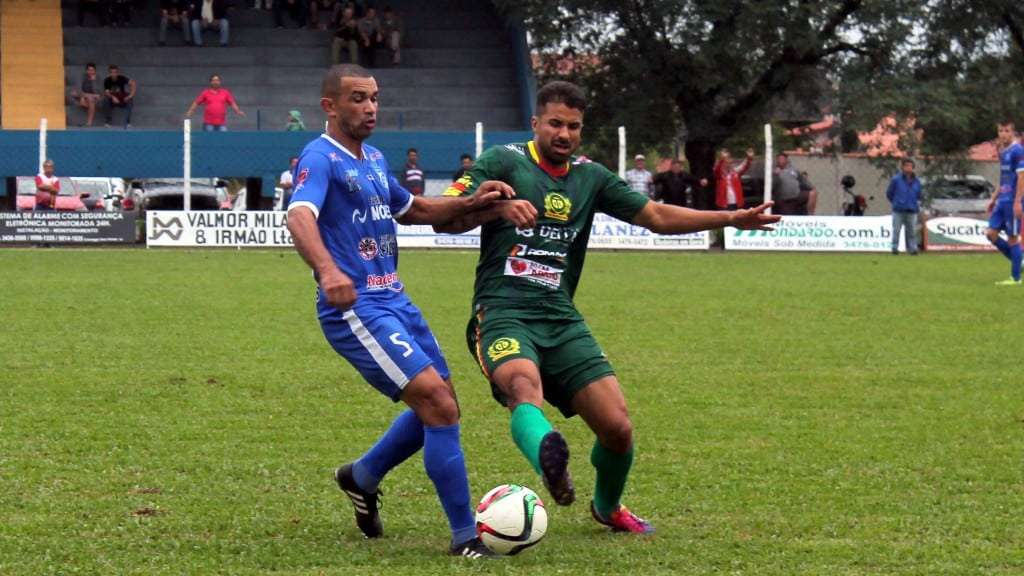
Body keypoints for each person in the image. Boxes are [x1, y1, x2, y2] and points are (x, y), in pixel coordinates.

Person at [434, 80, 779, 534]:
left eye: (573, 127)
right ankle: (548, 456)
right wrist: (494, 208)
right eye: (555, 123)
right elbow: (444, 214)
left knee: (618, 430)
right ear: (536, 123)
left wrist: (732, 217)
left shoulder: (591, 177)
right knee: (522, 385)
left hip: (560, 318)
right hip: (502, 311)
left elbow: (655, 216)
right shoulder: (503, 162)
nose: (564, 134)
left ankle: (607, 507)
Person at [286, 64, 530, 559]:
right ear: (330, 106)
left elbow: (414, 209)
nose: (370, 107)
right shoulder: (320, 158)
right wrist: (328, 271)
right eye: (357, 98)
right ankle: (466, 538)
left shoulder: (373, 157)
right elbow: (299, 214)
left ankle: (362, 475)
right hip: (356, 307)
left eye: (374, 98)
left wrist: (481, 204)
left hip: (394, 298)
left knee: (442, 404)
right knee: (438, 405)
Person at [985, 120, 1024, 285]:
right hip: (1002, 200)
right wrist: (994, 198)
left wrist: (1017, 202)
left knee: (1012, 238)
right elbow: (1003, 179)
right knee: (990, 234)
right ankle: (1019, 262)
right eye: (1000, 130)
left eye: (1007, 131)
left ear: (1013, 133)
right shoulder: (1002, 152)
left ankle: (1015, 278)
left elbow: (1022, 177)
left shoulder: (1018, 151)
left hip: (1012, 201)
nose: (1003, 134)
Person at [885, 158, 921, 255]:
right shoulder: (896, 180)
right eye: (906, 166)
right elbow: (889, 193)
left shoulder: (917, 181)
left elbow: (919, 194)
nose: (908, 168)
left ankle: (913, 249)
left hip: (912, 210)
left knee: (912, 231)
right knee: (896, 230)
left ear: (913, 168)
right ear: (902, 167)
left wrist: (914, 203)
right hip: (898, 210)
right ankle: (894, 248)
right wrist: (896, 202)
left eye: (910, 166)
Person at [73, 63, 101, 127]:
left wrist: (93, 81)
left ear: (95, 71)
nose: (91, 72)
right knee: (73, 93)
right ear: (86, 71)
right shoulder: (82, 76)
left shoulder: (98, 78)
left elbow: (97, 92)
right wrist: (82, 97)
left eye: (92, 70)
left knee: (91, 99)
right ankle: (86, 103)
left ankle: (89, 123)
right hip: (84, 95)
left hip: (94, 97)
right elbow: (78, 88)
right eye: (89, 70)